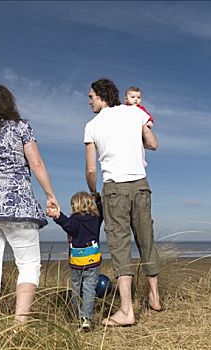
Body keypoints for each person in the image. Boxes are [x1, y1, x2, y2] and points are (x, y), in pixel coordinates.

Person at [0, 83, 60, 338]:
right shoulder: (21, 128)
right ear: (9, 104)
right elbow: (36, 163)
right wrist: (50, 195)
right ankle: (19, 328)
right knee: (28, 265)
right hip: (19, 208)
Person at [84, 78, 161, 327]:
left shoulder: (92, 125)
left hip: (114, 187)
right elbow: (152, 143)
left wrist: (94, 192)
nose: (89, 101)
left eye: (91, 96)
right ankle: (155, 297)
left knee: (119, 244)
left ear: (102, 96)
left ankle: (127, 311)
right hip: (140, 184)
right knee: (145, 237)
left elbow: (91, 170)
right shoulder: (134, 112)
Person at [49, 191, 103, 331]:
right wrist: (98, 199)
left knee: (76, 290)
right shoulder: (96, 218)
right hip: (93, 260)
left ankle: (78, 316)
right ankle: (86, 319)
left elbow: (67, 225)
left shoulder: (74, 219)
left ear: (75, 205)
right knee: (89, 289)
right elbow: (101, 208)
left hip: (77, 262)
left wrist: (57, 216)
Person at [124, 86, 155, 167]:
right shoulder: (123, 108)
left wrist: (150, 121)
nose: (136, 99)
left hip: (139, 132)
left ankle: (141, 161)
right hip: (129, 131)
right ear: (126, 99)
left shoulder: (141, 109)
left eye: (138, 97)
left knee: (140, 148)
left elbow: (148, 116)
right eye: (133, 97)